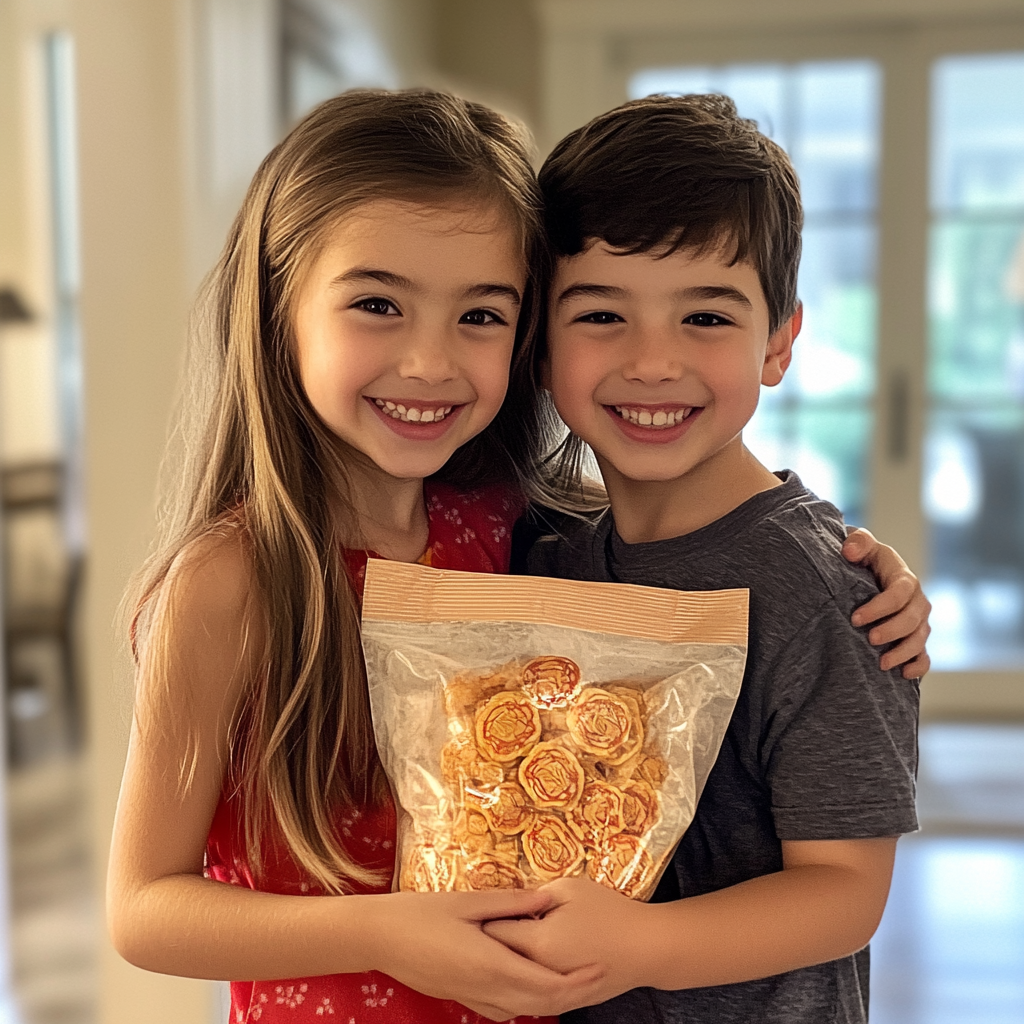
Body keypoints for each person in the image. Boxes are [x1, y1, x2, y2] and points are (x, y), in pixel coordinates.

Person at [107, 89, 927, 1024]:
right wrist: (382, 930)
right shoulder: (240, 584)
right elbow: (142, 910)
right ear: (278, 309)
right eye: (377, 303)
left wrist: (865, 577)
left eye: (481, 315)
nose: (429, 362)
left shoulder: (511, 537)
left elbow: (843, 884)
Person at [489, 93, 921, 1024]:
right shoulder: (548, 558)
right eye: (602, 315)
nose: (653, 362)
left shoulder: (821, 593)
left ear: (779, 342)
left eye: (707, 319)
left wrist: (638, 946)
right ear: (539, 343)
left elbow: (846, 891)